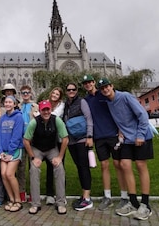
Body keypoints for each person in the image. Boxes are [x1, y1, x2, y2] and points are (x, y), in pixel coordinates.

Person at [98, 78, 154, 220]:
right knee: (124, 165)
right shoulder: (108, 102)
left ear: (112, 86)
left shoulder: (125, 96)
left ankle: (146, 205)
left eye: (107, 86)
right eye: (102, 88)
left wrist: (140, 135)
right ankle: (133, 202)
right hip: (127, 139)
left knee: (141, 165)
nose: (105, 89)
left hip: (142, 136)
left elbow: (142, 115)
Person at [82, 74, 128, 211]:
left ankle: (124, 196)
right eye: (85, 83)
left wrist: (121, 129)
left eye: (90, 82)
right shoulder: (85, 100)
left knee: (118, 164)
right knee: (104, 165)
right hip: (99, 136)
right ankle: (107, 197)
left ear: (94, 82)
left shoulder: (104, 95)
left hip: (113, 134)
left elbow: (118, 111)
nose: (88, 85)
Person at [23, 100, 69, 215]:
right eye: (43, 110)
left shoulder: (56, 120)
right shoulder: (34, 122)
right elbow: (26, 140)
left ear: (50, 110)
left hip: (52, 149)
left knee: (59, 168)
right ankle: (35, 204)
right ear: (40, 111)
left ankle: (60, 202)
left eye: (48, 109)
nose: (46, 112)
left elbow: (65, 138)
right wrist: (33, 157)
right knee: (34, 169)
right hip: (37, 149)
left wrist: (60, 156)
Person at [63, 82, 94, 211]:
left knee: (84, 167)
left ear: (76, 90)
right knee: (79, 167)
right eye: (69, 89)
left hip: (82, 139)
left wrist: (90, 136)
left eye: (73, 89)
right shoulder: (65, 105)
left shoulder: (82, 102)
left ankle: (87, 198)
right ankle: (84, 196)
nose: (71, 91)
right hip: (71, 141)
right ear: (66, 91)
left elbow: (89, 119)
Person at [0, 96, 24, 212]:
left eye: (10, 102)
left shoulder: (18, 117)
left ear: (14, 104)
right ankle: (11, 199)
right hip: (4, 151)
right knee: (3, 174)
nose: (8, 104)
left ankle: (18, 200)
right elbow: (0, 137)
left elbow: (17, 136)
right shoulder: (2, 118)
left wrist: (11, 152)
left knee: (9, 174)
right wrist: (1, 151)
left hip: (15, 150)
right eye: (6, 102)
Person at [18, 85, 39, 202]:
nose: (25, 94)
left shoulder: (36, 106)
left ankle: (33, 193)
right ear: (20, 94)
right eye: (23, 93)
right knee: (21, 168)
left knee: (33, 167)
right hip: (21, 141)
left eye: (27, 92)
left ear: (31, 94)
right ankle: (21, 192)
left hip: (32, 142)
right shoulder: (18, 107)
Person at [45, 87, 65, 205]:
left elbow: (54, 115)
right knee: (49, 168)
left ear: (60, 96)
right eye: (53, 93)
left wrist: (41, 112)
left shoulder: (61, 105)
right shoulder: (47, 103)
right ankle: (49, 194)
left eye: (57, 94)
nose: (55, 95)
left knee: (60, 167)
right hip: (49, 140)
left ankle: (61, 195)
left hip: (59, 140)